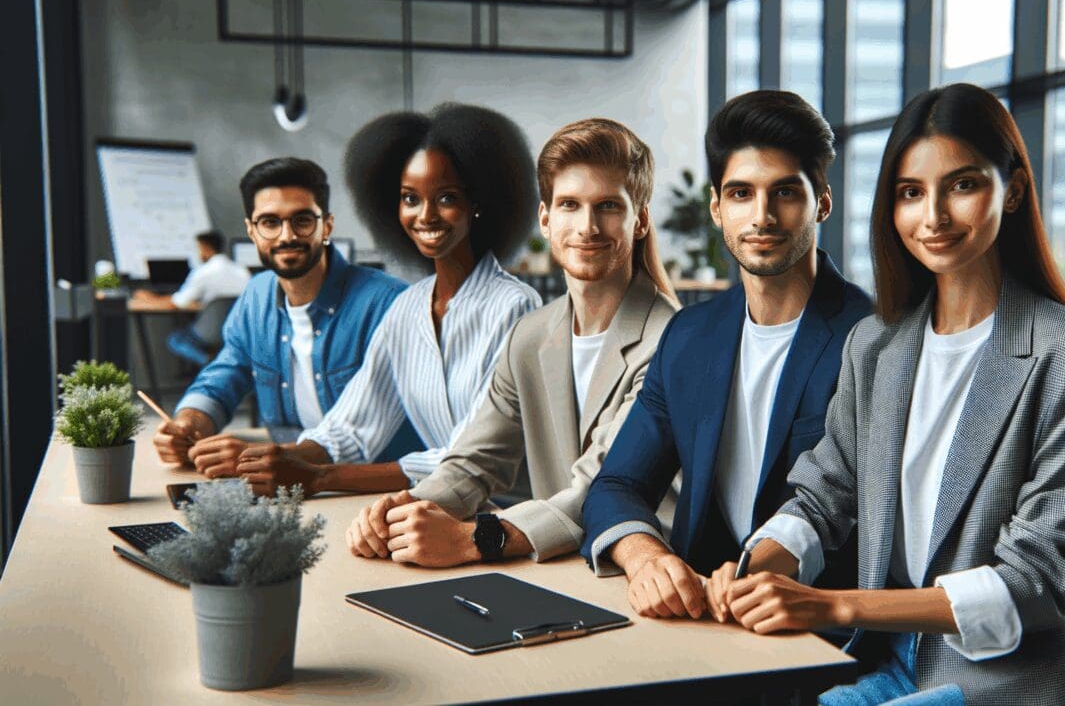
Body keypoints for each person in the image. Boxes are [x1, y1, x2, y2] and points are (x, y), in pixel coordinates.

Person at [704, 83, 1065, 705]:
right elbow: (825, 495)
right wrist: (755, 573)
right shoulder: (876, 344)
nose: (933, 217)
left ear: (1012, 190)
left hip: (1003, 682)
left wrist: (833, 605)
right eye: (910, 193)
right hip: (893, 661)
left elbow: (1033, 578)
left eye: (962, 185)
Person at [579, 90, 874, 618]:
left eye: (786, 192)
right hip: (699, 616)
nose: (762, 216)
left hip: (820, 627)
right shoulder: (689, 336)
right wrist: (647, 559)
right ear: (717, 208)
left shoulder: (874, 338)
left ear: (822, 202)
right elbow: (617, 485)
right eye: (741, 193)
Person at [345, 118, 683, 567]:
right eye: (569, 205)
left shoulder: (674, 340)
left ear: (639, 221)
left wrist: (472, 539)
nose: (587, 226)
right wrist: (404, 508)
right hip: (556, 569)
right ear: (545, 219)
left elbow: (599, 489)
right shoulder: (530, 335)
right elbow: (475, 461)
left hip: (643, 572)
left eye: (607, 206)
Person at [226, 104, 541, 498]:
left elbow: (470, 457)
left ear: (477, 202)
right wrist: (266, 459)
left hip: (513, 512)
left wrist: (317, 477)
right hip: (442, 505)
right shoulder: (408, 308)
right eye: (410, 198)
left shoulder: (515, 307)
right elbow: (352, 426)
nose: (425, 216)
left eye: (446, 197)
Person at [152, 158, 419, 467]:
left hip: (378, 483)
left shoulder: (389, 303)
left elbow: (362, 431)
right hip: (288, 481)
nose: (286, 236)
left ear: (327, 225)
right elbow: (226, 373)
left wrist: (274, 458)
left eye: (302, 221)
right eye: (269, 223)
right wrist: (189, 423)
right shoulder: (256, 296)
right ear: (252, 231)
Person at [132, 230, 250, 365]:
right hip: (237, 332)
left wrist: (150, 298)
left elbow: (176, 303)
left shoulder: (204, 272)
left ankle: (209, 362)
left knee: (177, 339)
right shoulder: (242, 271)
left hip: (209, 334)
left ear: (205, 247)